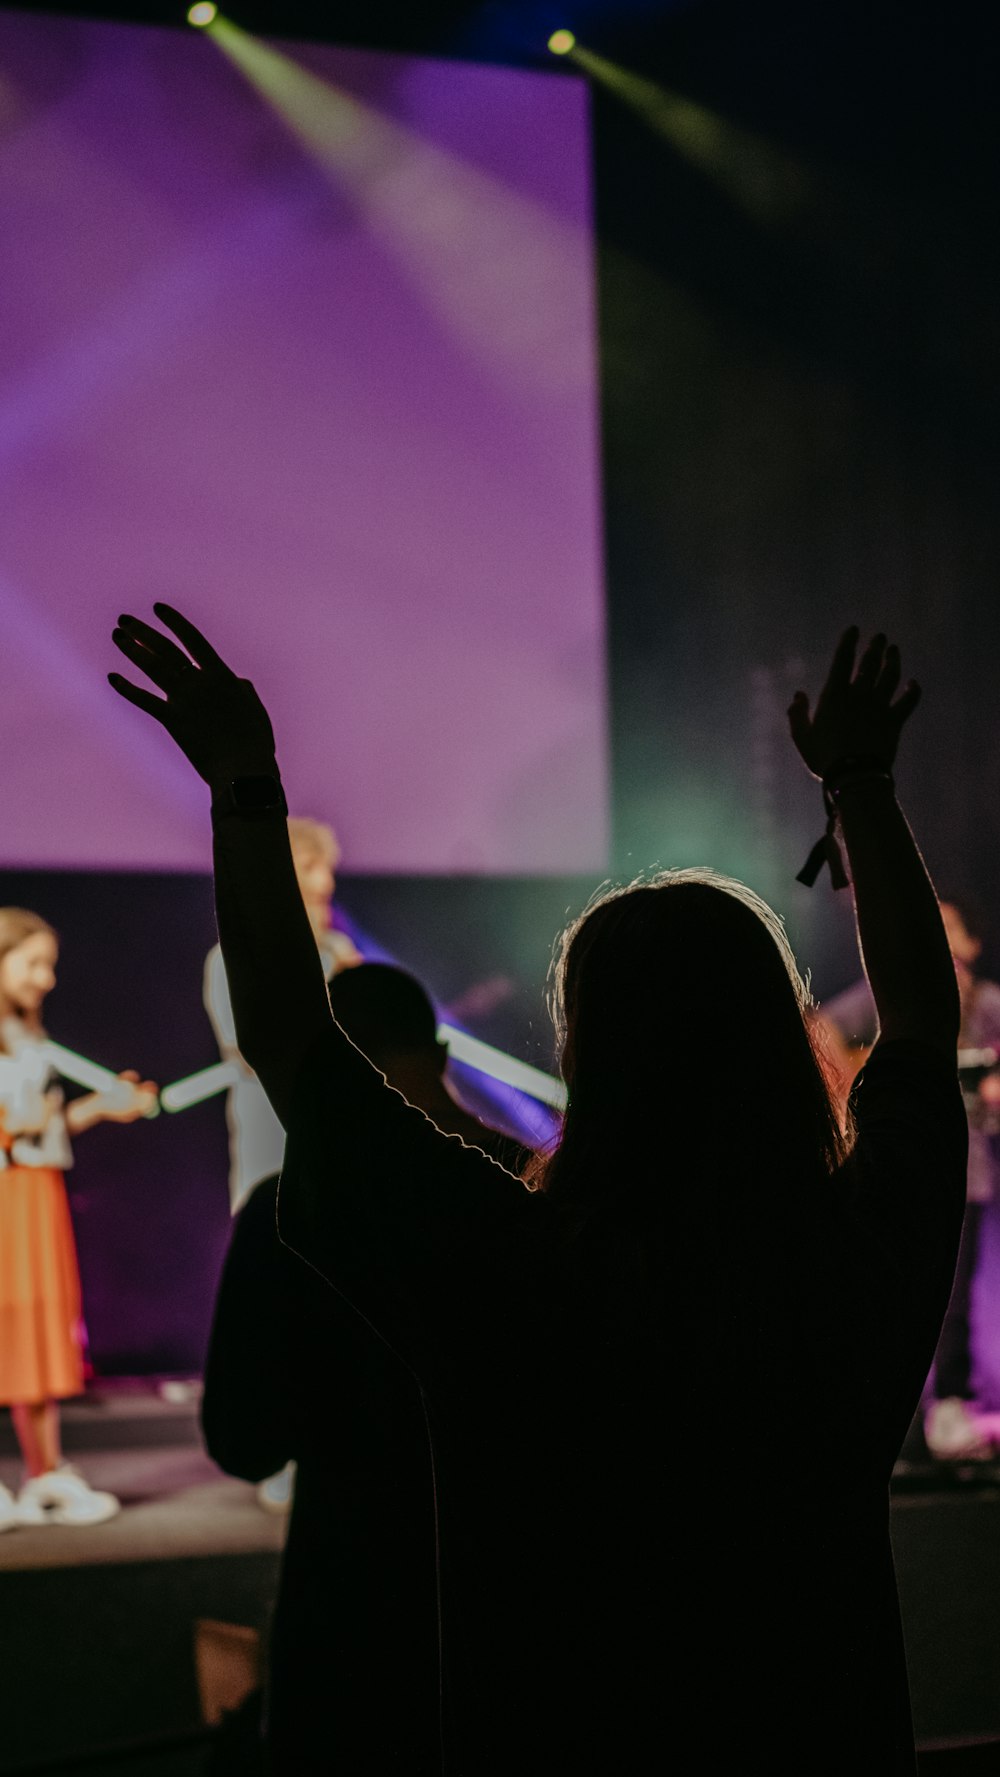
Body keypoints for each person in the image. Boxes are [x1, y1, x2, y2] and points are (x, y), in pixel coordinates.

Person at [111, 611, 966, 1773]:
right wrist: (861, 781)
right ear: (780, 1044)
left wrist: (246, 790)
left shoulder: (514, 1267)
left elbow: (288, 1039)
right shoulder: (857, 1257)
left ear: (584, 1062)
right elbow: (921, 1019)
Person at [201, 963, 528, 1773]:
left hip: (346, 1617)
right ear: (442, 1050)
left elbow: (243, 1440)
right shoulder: (539, 1186)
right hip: (520, 1608)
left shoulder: (287, 1213)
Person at [818, 899, 1000, 1460]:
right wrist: (855, 1082)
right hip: (894, 1166)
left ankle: (947, 1406)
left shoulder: (988, 1005)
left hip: (964, 1169)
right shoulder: (885, 1002)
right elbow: (821, 1029)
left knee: (953, 1294)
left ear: (970, 946)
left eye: (952, 935)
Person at [0, 908, 157, 1530]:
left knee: (41, 1323)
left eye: (50, 966)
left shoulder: (28, 1039)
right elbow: (20, 1126)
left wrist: (101, 1108)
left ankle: (45, 1472)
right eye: (32, 963)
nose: (45, 979)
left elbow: (45, 1128)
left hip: (37, 1195)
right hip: (7, 1197)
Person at [204, 816, 360, 1218]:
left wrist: (359, 989)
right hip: (269, 1123)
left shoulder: (338, 952)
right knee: (273, 1228)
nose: (325, 884)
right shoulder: (232, 959)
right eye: (309, 868)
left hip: (338, 1121)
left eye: (327, 869)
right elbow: (249, 1048)